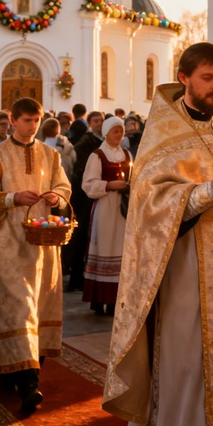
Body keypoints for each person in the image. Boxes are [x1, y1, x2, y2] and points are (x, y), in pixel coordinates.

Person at [103, 43, 213, 426]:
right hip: (185, 271)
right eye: (208, 78)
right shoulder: (162, 137)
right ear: (184, 78)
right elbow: (149, 206)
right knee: (187, 359)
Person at [0, 97, 72, 416]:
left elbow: (64, 187)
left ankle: (16, 371)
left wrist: (56, 196)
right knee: (18, 307)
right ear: (13, 120)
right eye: (27, 120)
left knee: (39, 305)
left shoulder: (51, 154)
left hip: (43, 240)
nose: (32, 126)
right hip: (10, 242)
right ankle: (29, 384)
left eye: (37, 120)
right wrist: (13, 198)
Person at [82, 116, 130, 315]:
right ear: (106, 133)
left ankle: (114, 302)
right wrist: (109, 185)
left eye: (121, 131)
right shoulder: (97, 155)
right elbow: (88, 184)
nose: (119, 135)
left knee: (120, 249)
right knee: (104, 247)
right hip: (105, 207)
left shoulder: (126, 154)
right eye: (115, 131)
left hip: (123, 208)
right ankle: (98, 299)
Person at [66, 110, 104, 291]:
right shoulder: (85, 143)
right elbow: (81, 169)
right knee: (81, 236)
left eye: (101, 120)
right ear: (89, 123)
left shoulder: (102, 141)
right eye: (95, 121)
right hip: (84, 196)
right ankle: (76, 277)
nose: (99, 124)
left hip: (98, 195)